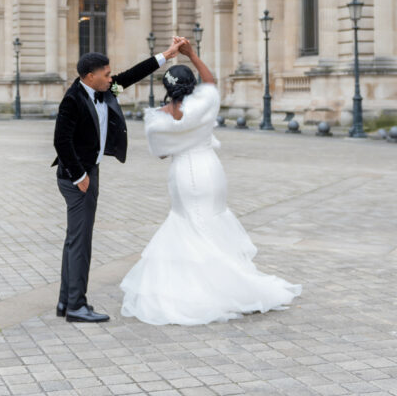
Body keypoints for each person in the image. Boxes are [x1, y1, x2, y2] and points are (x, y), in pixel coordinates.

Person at [120, 40, 301, 325]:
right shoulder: (205, 102)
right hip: (210, 169)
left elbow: (161, 152)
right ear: (192, 85)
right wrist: (191, 54)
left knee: (190, 224)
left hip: (184, 172)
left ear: (167, 88)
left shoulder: (158, 119)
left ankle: (204, 288)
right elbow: (211, 82)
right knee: (212, 221)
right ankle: (231, 282)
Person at [52, 36, 188, 323]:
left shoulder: (103, 89)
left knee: (75, 240)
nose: (111, 77)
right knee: (81, 242)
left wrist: (168, 54)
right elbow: (61, 141)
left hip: (91, 170)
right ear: (90, 76)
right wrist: (80, 176)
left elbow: (133, 74)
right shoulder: (73, 99)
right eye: (106, 73)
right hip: (78, 177)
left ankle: (66, 301)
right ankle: (77, 306)